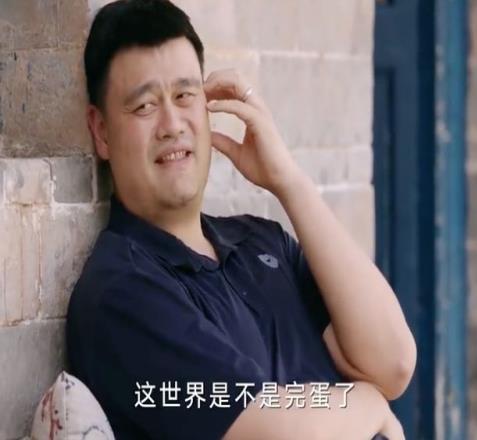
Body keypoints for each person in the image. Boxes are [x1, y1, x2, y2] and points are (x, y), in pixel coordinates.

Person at [66, 0, 417, 439]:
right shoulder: (121, 293)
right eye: (144, 106)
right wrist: (367, 402)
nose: (172, 124)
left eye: (185, 96)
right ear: (101, 131)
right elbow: (274, 434)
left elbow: (392, 363)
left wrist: (288, 181)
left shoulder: (263, 243)